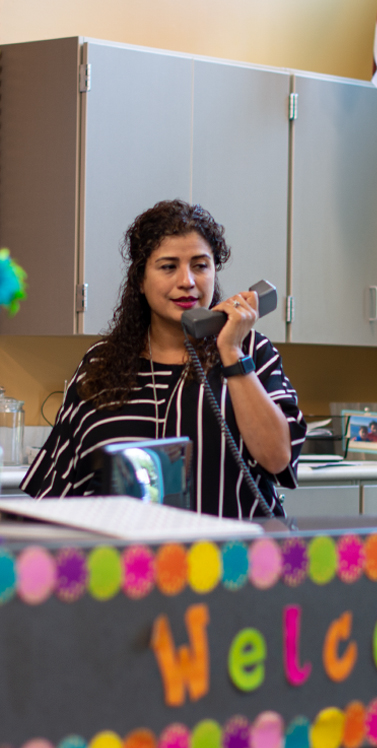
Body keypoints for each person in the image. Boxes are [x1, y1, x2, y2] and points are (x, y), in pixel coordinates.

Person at [22, 200, 307, 518]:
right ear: (141, 281)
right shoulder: (100, 364)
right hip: (124, 560)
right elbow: (59, 484)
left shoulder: (252, 351)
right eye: (168, 266)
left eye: (200, 265)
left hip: (229, 559)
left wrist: (231, 352)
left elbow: (278, 458)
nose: (187, 281)